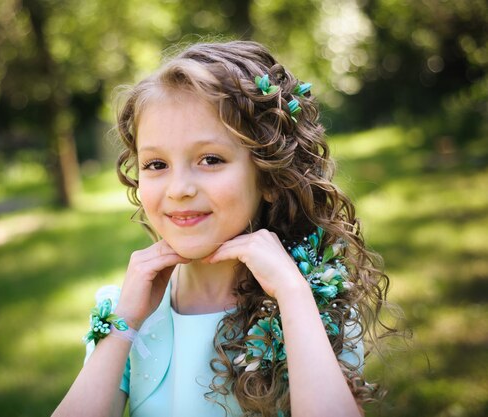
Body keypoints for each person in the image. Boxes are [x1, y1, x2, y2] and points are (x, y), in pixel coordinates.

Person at [52, 40, 391, 417]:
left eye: (210, 159)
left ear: (268, 175)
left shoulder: (313, 299)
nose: (180, 189)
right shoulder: (127, 311)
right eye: (155, 164)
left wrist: (293, 294)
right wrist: (124, 324)